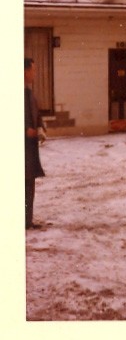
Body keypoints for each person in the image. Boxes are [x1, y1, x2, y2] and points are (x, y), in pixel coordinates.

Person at [25, 57, 46, 230]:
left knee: (28, 183)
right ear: (24, 71)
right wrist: (25, 131)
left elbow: (37, 114)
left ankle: (27, 221)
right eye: (33, 69)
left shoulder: (30, 93)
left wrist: (40, 128)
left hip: (30, 148)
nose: (35, 73)